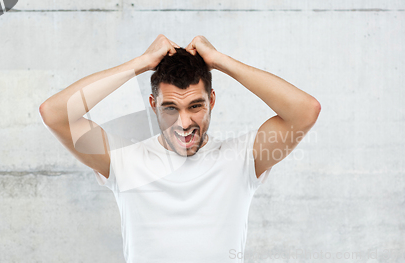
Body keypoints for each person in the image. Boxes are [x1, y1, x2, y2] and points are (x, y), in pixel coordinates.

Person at [39, 34, 320, 263]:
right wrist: (140, 63)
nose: (184, 123)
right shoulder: (125, 161)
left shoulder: (242, 159)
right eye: (170, 108)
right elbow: (54, 113)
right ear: (153, 105)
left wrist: (220, 61)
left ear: (211, 100)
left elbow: (305, 111)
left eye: (195, 106)